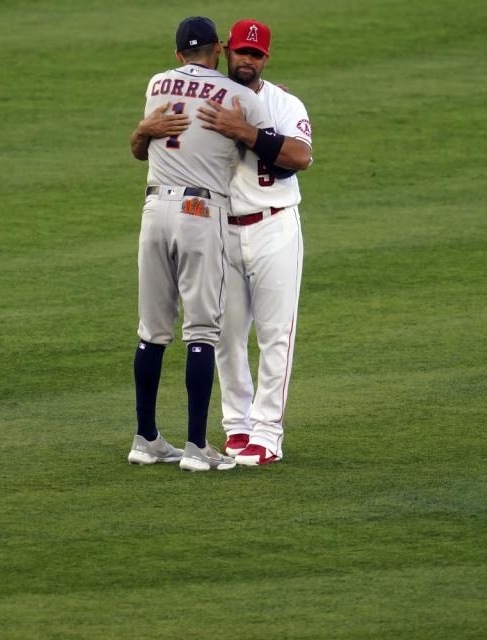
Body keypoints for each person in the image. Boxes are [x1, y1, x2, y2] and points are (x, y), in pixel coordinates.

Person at [125, 16, 270, 472]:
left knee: (152, 331)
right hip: (199, 214)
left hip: (153, 213)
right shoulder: (241, 97)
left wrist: (147, 129)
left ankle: (145, 438)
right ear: (219, 49)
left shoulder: (156, 84)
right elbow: (271, 151)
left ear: (177, 55)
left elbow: (140, 146)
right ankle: (195, 446)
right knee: (203, 331)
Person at [195, 19, 313, 466]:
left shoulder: (283, 102)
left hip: (274, 226)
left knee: (275, 334)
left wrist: (244, 131)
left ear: (266, 59)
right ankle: (238, 426)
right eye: (242, 51)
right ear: (226, 50)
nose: (247, 60)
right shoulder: (207, 101)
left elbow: (299, 157)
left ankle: (268, 433)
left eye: (256, 54)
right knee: (226, 334)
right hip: (221, 228)